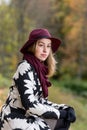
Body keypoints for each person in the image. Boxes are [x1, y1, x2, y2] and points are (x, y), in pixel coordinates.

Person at [0, 28, 76, 130]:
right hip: (14, 118)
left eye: (48, 46)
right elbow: (30, 105)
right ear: (33, 47)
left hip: (27, 116)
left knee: (63, 121)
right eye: (41, 45)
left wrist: (65, 108)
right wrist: (60, 113)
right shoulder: (25, 67)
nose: (45, 50)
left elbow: (40, 101)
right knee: (59, 121)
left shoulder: (38, 69)